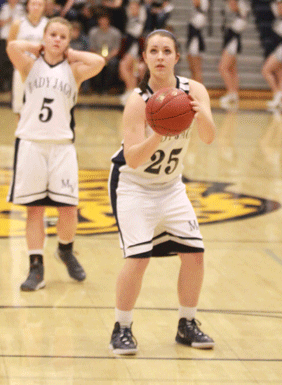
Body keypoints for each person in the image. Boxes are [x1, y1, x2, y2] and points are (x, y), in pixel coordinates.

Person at [108, 29, 216, 355]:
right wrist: (158, 131)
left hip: (170, 186)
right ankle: (122, 327)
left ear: (176, 57)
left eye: (166, 51)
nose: (159, 57)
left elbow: (209, 137)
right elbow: (133, 158)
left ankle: (187, 324)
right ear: (144, 57)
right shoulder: (137, 101)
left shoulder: (193, 90)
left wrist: (202, 113)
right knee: (138, 259)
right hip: (134, 187)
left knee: (195, 254)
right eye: (153, 50)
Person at [6, 16, 105, 291]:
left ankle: (65, 249)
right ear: (45, 36)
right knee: (34, 210)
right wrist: (36, 46)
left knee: (68, 208)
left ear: (68, 42)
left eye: (63, 36)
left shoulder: (74, 70)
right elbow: (13, 46)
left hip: (62, 146)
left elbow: (99, 63)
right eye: (53, 35)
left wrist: (71, 53)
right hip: (31, 144)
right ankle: (36, 268)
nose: (57, 40)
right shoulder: (29, 65)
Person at [7, 0, 48, 114]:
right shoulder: (18, 24)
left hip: (42, 69)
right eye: (33, 4)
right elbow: (10, 46)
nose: (36, 7)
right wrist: (17, 63)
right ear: (28, 6)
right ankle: (20, 133)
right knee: (19, 107)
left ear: (44, 7)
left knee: (40, 106)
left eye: (40, 4)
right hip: (22, 68)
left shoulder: (49, 24)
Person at [218, 0, 250, 109]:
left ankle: (231, 93)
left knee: (222, 67)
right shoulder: (237, 11)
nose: (230, 4)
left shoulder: (241, 11)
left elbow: (235, 0)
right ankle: (234, 94)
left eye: (232, 2)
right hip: (231, 39)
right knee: (232, 69)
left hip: (233, 41)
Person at [118, 0, 147, 105]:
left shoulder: (140, 20)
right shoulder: (130, 19)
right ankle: (130, 91)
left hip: (136, 47)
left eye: (135, 7)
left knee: (124, 66)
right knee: (130, 70)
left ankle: (131, 91)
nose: (131, 9)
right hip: (130, 46)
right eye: (131, 7)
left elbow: (136, 35)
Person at [186, 0, 210, 84]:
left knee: (194, 60)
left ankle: (197, 92)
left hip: (197, 17)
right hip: (199, 16)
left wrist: (197, 5)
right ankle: (195, 89)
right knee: (192, 57)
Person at [0, 0, 25, 91]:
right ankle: (0, 86)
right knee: (2, 63)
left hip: (16, 39)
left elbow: (23, 24)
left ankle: (12, 86)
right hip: (4, 38)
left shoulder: (21, 9)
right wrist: (7, 21)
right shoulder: (4, 8)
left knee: (14, 63)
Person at [88, 8, 122, 93]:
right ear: (98, 21)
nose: (103, 22)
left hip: (111, 56)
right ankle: (97, 88)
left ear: (108, 21)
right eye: (101, 20)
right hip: (97, 55)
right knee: (95, 63)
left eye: (105, 20)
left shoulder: (116, 32)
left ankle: (108, 88)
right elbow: (92, 48)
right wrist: (101, 56)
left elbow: (116, 49)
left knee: (113, 63)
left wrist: (108, 57)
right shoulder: (93, 32)